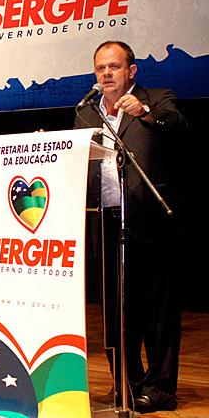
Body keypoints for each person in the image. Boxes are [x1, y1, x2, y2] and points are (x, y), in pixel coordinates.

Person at [75, 40, 187, 413]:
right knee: (116, 312)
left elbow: (179, 126)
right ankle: (127, 384)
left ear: (131, 70)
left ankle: (160, 389)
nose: (106, 74)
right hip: (106, 222)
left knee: (157, 312)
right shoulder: (87, 111)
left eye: (114, 66)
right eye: (101, 68)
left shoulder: (157, 99)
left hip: (153, 224)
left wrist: (145, 112)